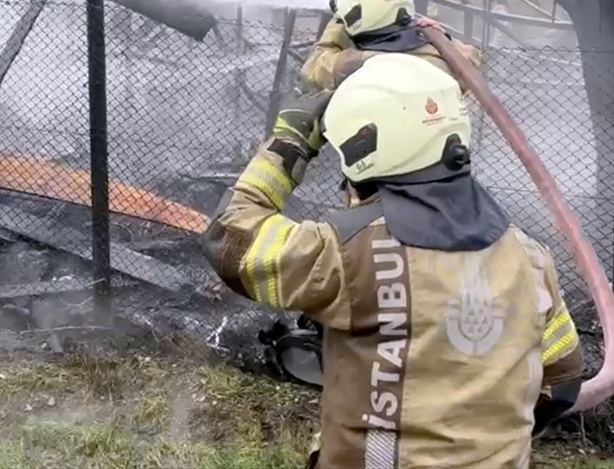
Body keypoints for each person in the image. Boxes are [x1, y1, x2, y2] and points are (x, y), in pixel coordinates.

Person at [202, 53, 584, 469]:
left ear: (367, 151)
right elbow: (562, 382)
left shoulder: (347, 256)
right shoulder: (530, 258)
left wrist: (288, 144)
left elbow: (231, 239)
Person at [300, 0, 482, 95]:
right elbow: (471, 58)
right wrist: (444, 38)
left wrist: (340, 19)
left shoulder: (356, 63)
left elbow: (313, 70)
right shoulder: (437, 59)